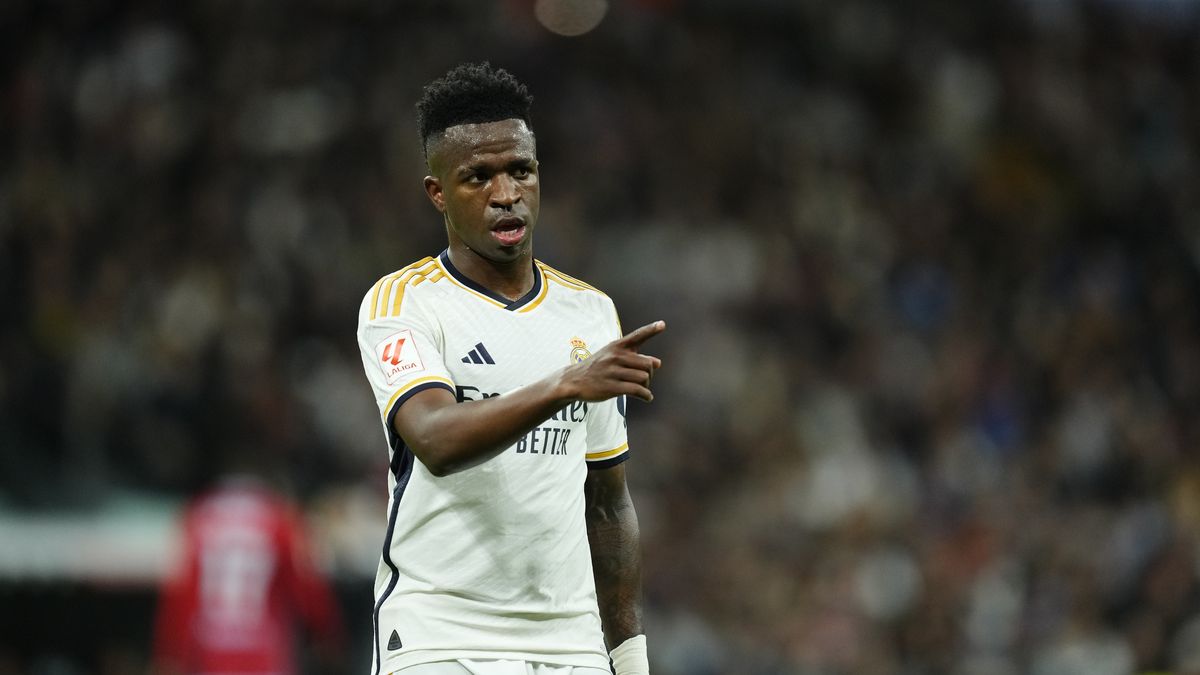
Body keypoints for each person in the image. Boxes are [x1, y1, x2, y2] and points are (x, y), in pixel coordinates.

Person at [355, 62, 662, 675]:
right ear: (437, 193)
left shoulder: (592, 313)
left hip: (570, 644)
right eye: (478, 177)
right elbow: (436, 440)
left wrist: (628, 658)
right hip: (441, 637)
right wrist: (565, 383)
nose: (506, 193)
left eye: (520, 170)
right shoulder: (402, 303)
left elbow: (606, 503)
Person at [151, 470, 346, 675]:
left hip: (211, 649)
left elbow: (181, 596)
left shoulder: (199, 517)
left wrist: (169, 654)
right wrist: (328, 634)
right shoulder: (277, 517)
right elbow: (307, 587)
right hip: (265, 651)